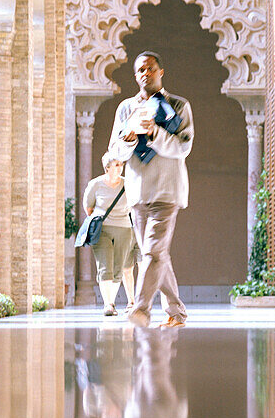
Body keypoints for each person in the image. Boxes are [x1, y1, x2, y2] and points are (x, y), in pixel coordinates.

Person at [108, 50, 194, 328]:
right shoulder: (125, 109)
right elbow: (115, 152)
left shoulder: (179, 105)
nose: (146, 74)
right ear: (136, 76)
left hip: (167, 191)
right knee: (156, 255)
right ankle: (177, 313)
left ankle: (141, 309)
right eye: (140, 70)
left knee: (153, 253)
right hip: (138, 192)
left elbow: (183, 146)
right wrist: (128, 138)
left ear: (161, 72)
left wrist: (155, 132)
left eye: (151, 69)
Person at [82, 151, 140, 316]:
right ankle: (108, 304)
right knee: (104, 267)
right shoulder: (96, 184)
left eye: (121, 164)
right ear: (107, 168)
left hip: (124, 229)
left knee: (118, 268)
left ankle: (111, 302)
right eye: (116, 165)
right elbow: (88, 207)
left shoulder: (127, 183)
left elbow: (135, 203)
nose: (119, 168)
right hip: (103, 229)